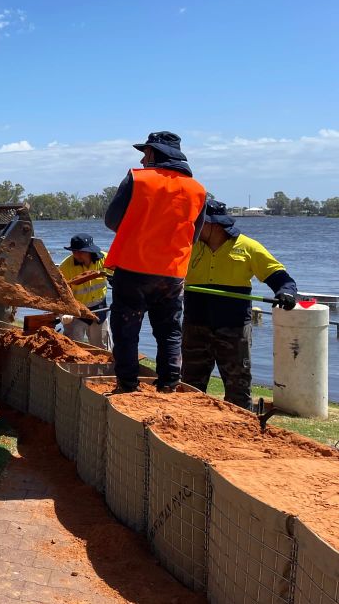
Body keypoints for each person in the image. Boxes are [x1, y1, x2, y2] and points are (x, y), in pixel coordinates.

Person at [103, 131, 207, 393]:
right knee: (170, 330)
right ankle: (169, 384)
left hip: (134, 267)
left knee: (126, 329)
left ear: (152, 153)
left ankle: (127, 385)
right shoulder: (198, 189)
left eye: (145, 152)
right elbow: (194, 234)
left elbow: (112, 220)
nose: (143, 157)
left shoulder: (138, 178)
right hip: (172, 273)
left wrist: (139, 232)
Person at [181, 198, 297, 410]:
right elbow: (162, 271)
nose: (194, 227)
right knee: (189, 388)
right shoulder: (188, 246)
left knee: (238, 391)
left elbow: (281, 278)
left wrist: (286, 293)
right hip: (195, 327)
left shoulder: (248, 247)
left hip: (233, 331)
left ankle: (242, 430)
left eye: (199, 223)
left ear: (213, 224)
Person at [58, 233, 111, 349]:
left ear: (90, 251)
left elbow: (120, 278)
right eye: (74, 251)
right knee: (72, 347)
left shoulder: (105, 259)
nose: (76, 255)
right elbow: (59, 293)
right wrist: (63, 312)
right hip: (76, 312)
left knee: (102, 348)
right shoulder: (65, 267)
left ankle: (103, 367)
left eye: (81, 252)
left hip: (100, 310)